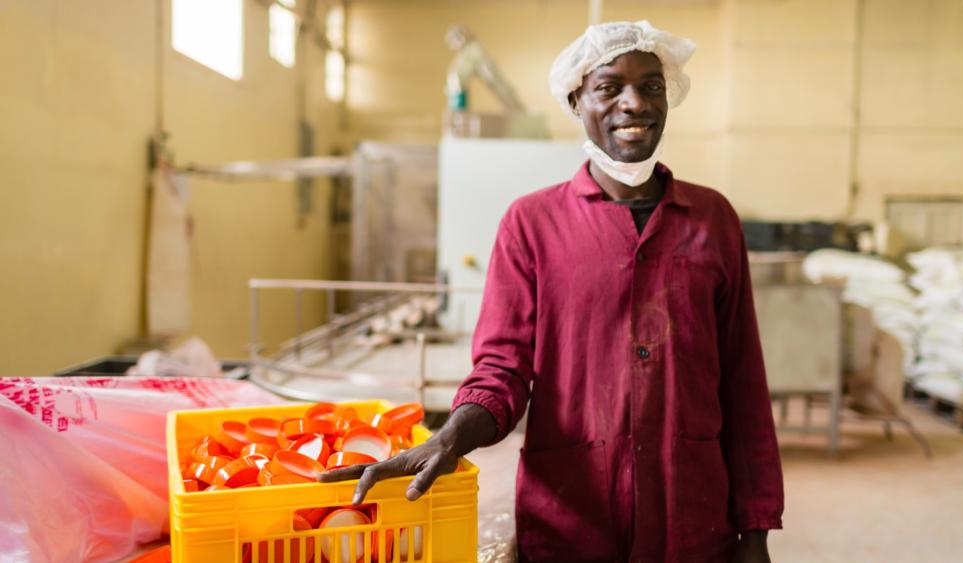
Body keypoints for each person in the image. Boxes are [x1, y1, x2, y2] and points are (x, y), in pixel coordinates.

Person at [320, 20, 784, 563]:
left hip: (693, 519)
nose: (634, 103)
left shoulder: (712, 220)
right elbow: (502, 369)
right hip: (571, 519)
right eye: (609, 87)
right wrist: (447, 439)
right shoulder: (532, 223)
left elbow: (743, 380)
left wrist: (755, 529)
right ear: (576, 101)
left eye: (651, 86)